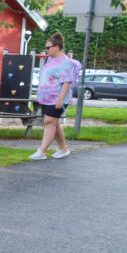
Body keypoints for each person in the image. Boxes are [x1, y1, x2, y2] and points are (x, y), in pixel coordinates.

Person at [29, 32, 75, 160]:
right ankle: (63, 149)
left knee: (49, 123)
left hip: (56, 98)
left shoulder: (64, 62)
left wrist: (60, 98)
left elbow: (67, 81)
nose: (46, 50)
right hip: (46, 98)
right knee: (55, 123)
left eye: (48, 47)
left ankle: (42, 151)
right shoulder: (50, 59)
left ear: (56, 47)